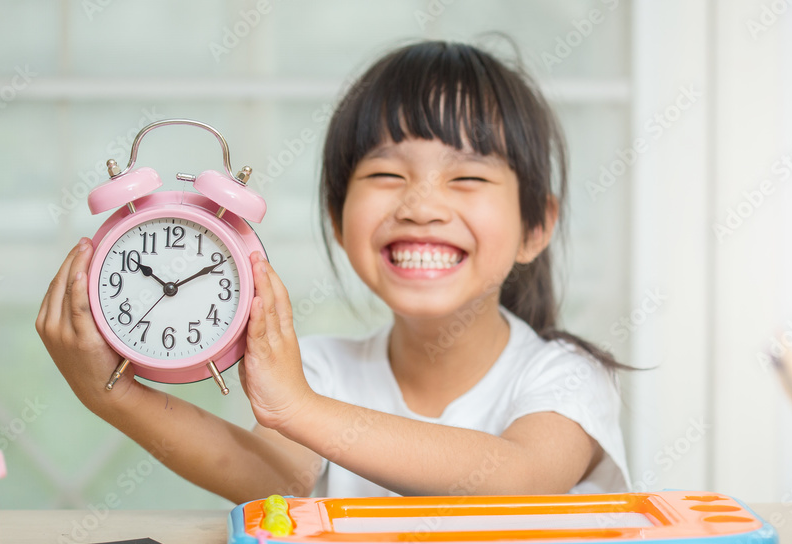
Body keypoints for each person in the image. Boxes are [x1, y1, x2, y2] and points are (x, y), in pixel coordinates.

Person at [36, 40, 631, 504]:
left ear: (536, 227)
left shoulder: (567, 377)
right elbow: (269, 479)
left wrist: (295, 407)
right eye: (386, 175)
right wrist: (112, 397)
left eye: (468, 177)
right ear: (338, 217)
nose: (421, 207)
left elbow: (517, 480)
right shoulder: (321, 370)